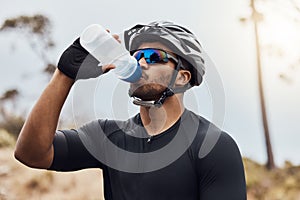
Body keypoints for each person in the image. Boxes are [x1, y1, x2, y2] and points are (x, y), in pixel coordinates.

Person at [14, 21, 247, 199]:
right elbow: (31, 153)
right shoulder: (109, 136)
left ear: (182, 77)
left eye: (154, 56)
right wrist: (64, 75)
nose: (141, 63)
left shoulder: (212, 146)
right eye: (137, 56)